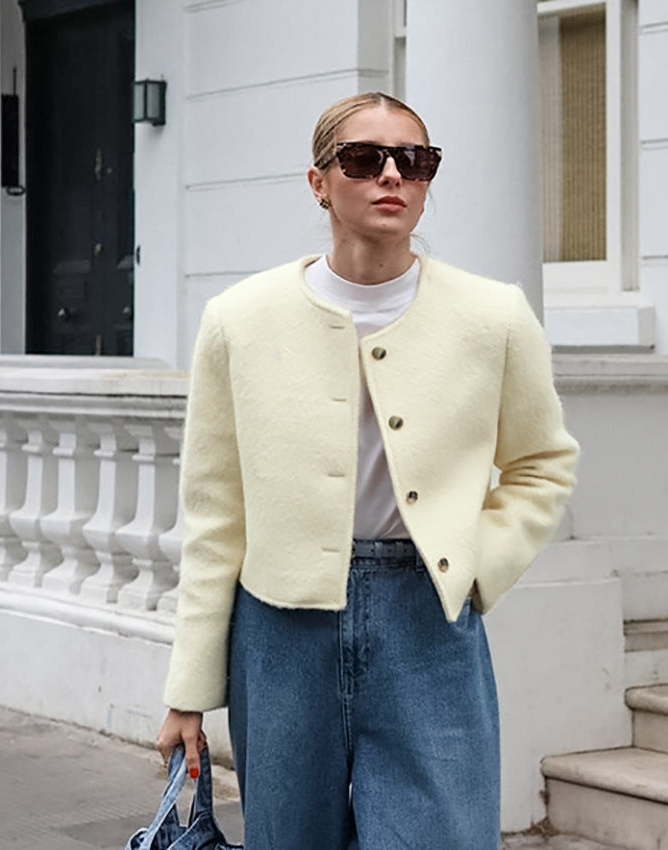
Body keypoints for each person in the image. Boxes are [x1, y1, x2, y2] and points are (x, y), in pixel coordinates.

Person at [156, 91, 579, 850]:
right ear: (319, 182)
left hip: (428, 622)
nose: (393, 176)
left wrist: (477, 567)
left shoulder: (494, 316)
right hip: (280, 628)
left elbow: (542, 464)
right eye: (364, 159)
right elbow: (217, 514)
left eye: (413, 161)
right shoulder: (239, 320)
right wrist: (189, 691)